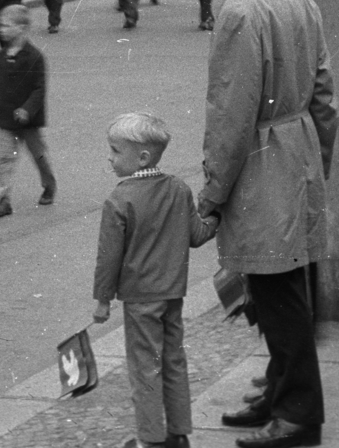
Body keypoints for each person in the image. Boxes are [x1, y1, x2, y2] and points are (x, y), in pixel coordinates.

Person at [201, 0, 335, 448]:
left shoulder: (238, 10)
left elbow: (231, 116)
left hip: (263, 158)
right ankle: (280, 391)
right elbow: (325, 93)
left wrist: (211, 194)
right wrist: (315, 156)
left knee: (278, 297)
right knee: (282, 286)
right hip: (298, 148)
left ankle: (300, 414)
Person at [92, 112, 217, 448]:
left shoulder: (120, 199)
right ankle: (179, 433)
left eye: (116, 151)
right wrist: (216, 211)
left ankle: (151, 439)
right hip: (172, 294)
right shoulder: (178, 188)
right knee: (174, 360)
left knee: (145, 369)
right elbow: (197, 234)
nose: (110, 157)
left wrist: (103, 300)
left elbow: (109, 257)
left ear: (142, 157)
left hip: (140, 299)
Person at [0, 4, 54, 218]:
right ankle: (3, 199)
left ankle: (49, 183)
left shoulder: (35, 56)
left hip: (29, 120)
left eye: (6, 26)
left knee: (39, 155)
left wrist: (28, 109)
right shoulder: (0, 56)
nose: (1, 29)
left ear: (22, 28)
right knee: (5, 159)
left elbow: (39, 88)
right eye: (0, 25)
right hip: (6, 119)